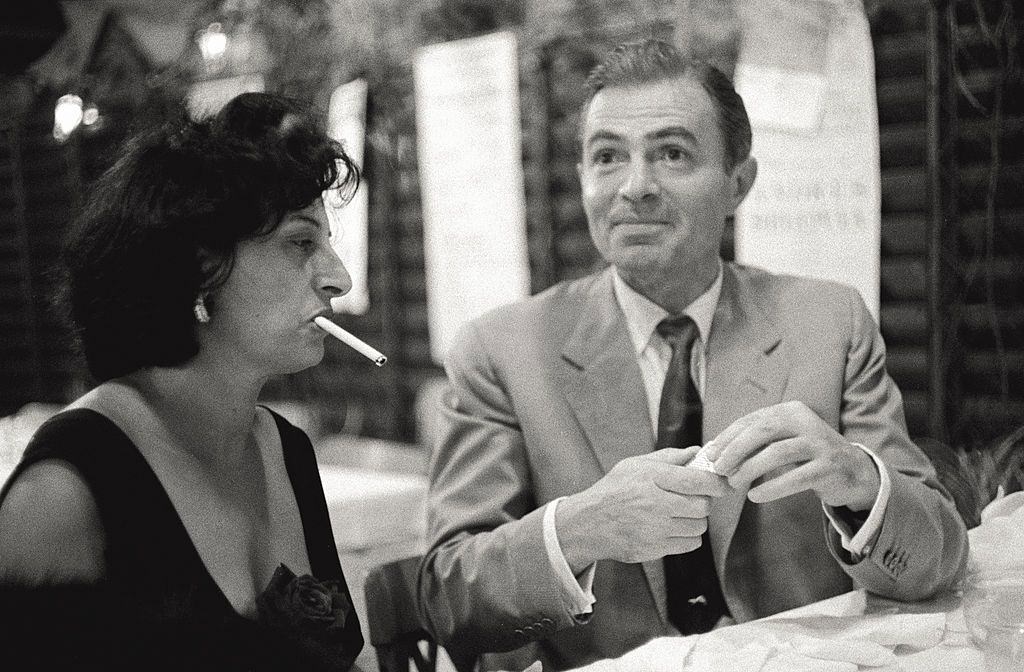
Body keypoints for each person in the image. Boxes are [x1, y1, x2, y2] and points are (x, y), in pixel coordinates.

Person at [417, 39, 969, 671]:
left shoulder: (827, 324)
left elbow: (937, 561)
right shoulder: (503, 352)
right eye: (607, 158)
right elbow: (447, 598)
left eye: (672, 154)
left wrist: (859, 483)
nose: (634, 188)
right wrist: (581, 528)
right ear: (581, 180)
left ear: (739, 182)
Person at [0, 93, 364, 670]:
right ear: (200, 267)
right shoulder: (71, 489)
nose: (338, 278)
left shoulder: (285, 450)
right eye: (300, 243)